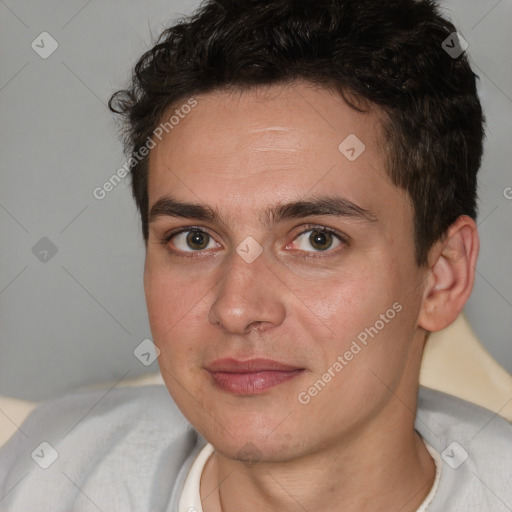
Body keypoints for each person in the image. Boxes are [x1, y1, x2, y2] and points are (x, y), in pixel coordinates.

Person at [1, 0, 511, 510]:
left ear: (442, 277)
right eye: (194, 239)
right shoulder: (53, 469)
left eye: (317, 239)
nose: (236, 309)